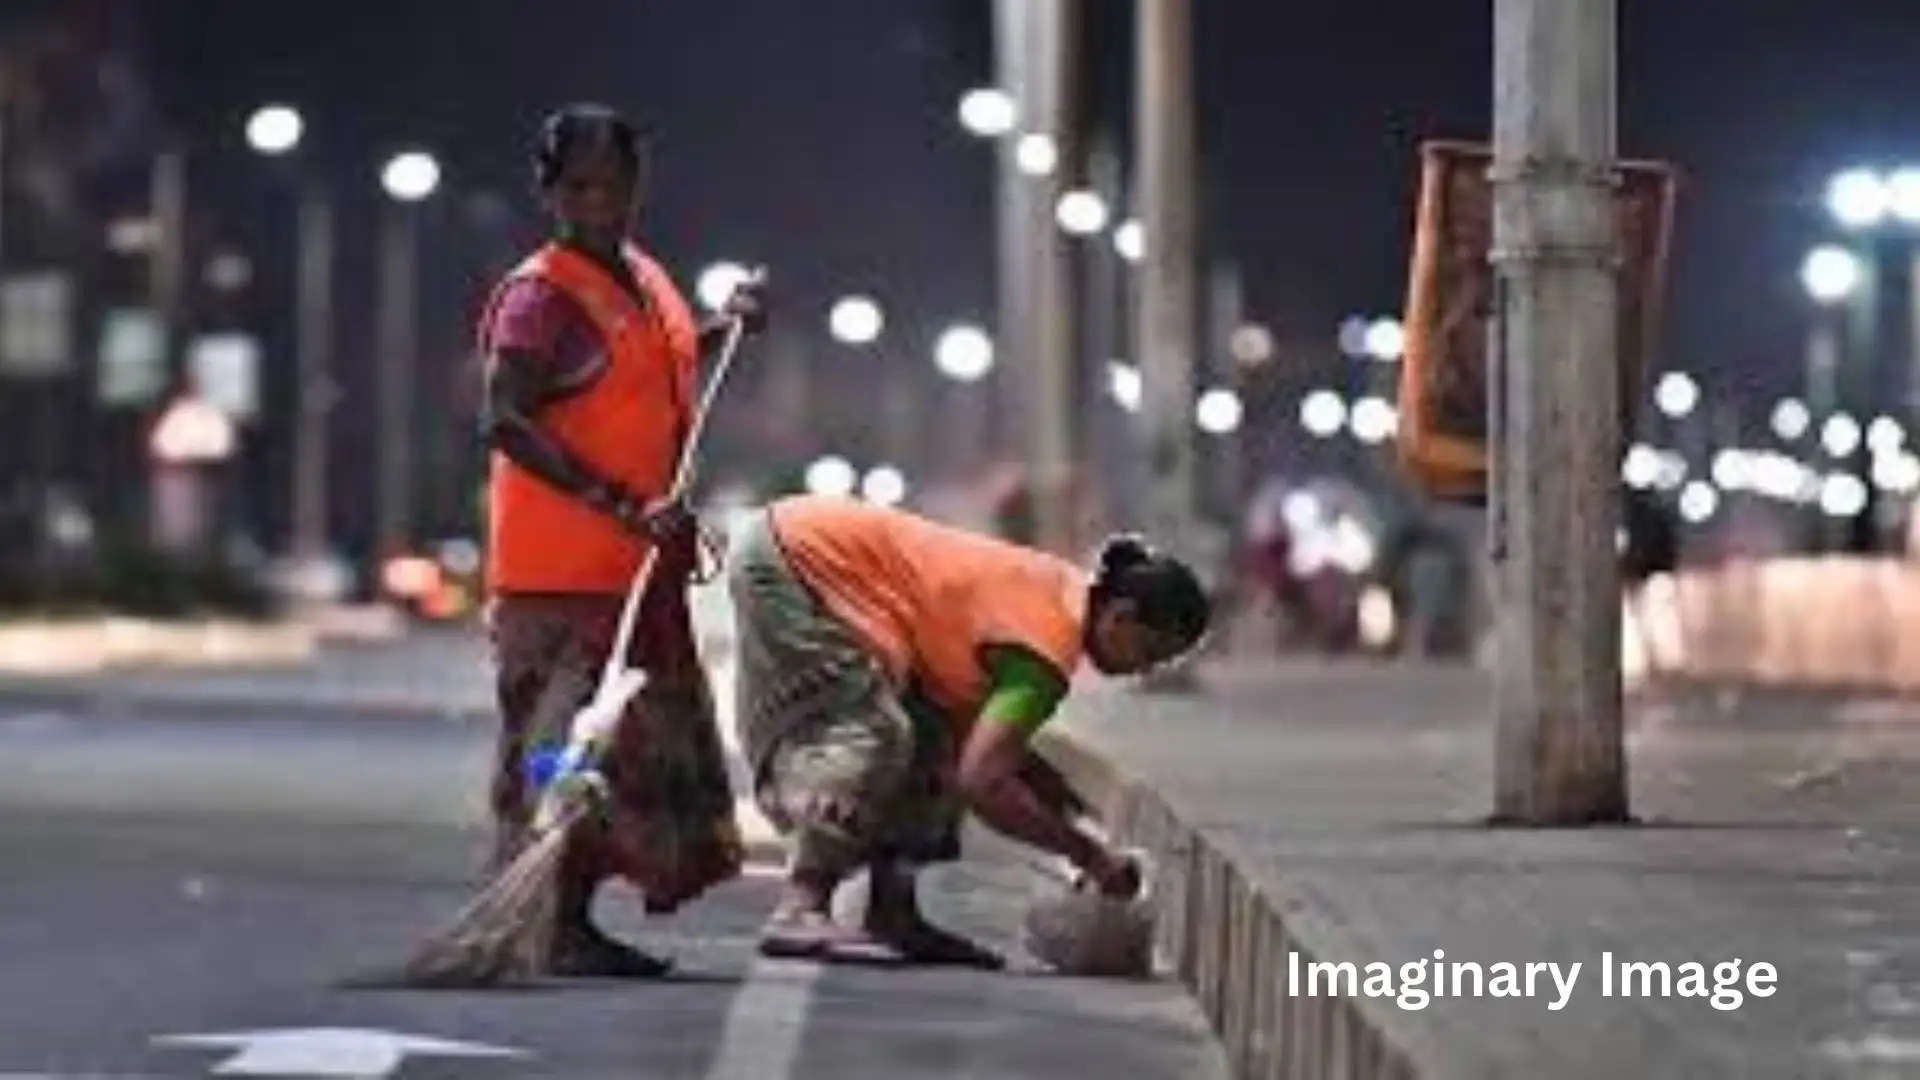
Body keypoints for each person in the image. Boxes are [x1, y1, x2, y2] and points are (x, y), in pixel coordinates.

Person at [476, 103, 763, 977]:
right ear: (550, 189)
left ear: (639, 185)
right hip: (561, 581)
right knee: (562, 753)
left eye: (615, 184)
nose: (599, 202)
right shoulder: (540, 297)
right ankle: (535, 920)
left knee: (627, 758)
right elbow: (505, 418)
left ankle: (565, 919)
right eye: (579, 186)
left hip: (635, 576)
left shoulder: (641, 281)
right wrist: (617, 501)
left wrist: (725, 328)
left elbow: (653, 368)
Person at [728, 494, 1211, 966]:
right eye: (1146, 652)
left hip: (812, 547)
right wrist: (1089, 856)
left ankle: (891, 910)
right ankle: (802, 903)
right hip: (799, 558)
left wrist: (1051, 792)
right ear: (1120, 617)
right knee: (874, 733)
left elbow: (983, 749)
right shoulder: (1044, 648)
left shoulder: (1060, 600)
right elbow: (984, 784)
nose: (1140, 671)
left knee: (934, 743)